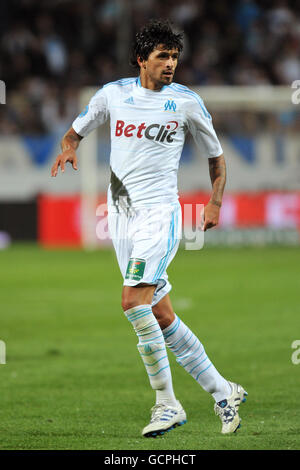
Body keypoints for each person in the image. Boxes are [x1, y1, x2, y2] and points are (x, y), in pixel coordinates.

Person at [51, 19, 247, 438]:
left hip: (160, 215)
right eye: (162, 56)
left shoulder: (187, 102)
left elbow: (216, 157)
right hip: (121, 216)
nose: (170, 63)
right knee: (159, 314)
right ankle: (223, 390)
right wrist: (68, 148)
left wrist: (215, 201)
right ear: (141, 59)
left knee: (132, 302)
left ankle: (167, 404)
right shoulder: (113, 95)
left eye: (174, 56)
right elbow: (74, 133)